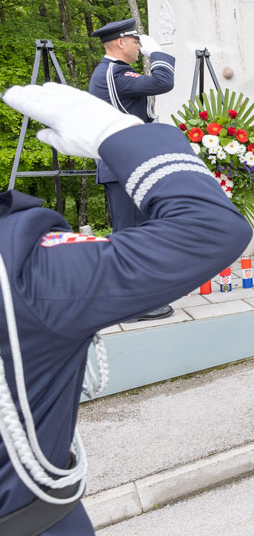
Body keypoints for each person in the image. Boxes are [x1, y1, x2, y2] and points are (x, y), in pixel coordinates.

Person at [0, 82, 251, 534]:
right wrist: (117, 134)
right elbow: (208, 229)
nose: (135, 45)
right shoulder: (19, 269)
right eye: (131, 41)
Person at [88, 19, 176, 320]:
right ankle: (129, 305)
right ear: (121, 43)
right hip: (123, 166)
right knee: (129, 235)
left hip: (129, 165)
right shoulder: (113, 74)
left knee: (137, 232)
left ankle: (137, 300)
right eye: (136, 41)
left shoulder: (115, 73)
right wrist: (159, 54)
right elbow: (163, 82)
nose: (140, 47)